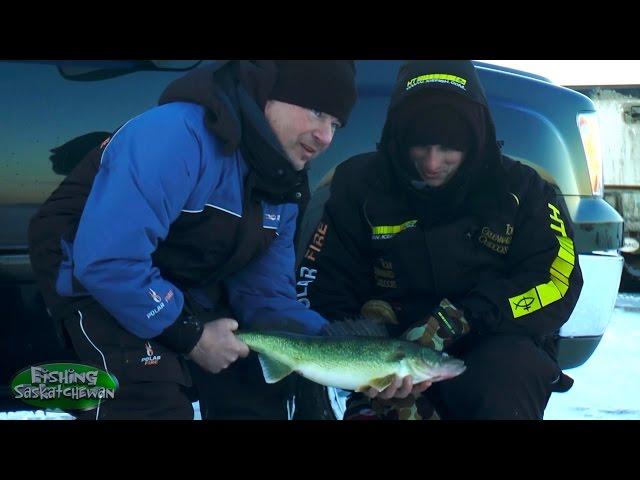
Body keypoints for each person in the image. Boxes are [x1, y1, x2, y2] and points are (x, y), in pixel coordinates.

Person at [28, 60, 357, 419]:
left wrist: (340, 347)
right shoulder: (178, 136)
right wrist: (193, 337)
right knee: (149, 398)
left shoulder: (282, 183)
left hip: (178, 279)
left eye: (336, 124)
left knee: (254, 391)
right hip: (90, 269)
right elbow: (109, 259)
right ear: (268, 96)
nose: (326, 136)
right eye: (316, 111)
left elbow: (264, 294)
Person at [296, 60, 582, 420]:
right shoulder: (358, 186)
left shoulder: (523, 191)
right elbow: (320, 286)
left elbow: (557, 280)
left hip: (493, 352)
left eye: (449, 148)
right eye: (419, 147)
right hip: (392, 360)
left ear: (476, 139)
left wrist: (463, 318)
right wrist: (368, 341)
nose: (432, 163)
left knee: (508, 372)